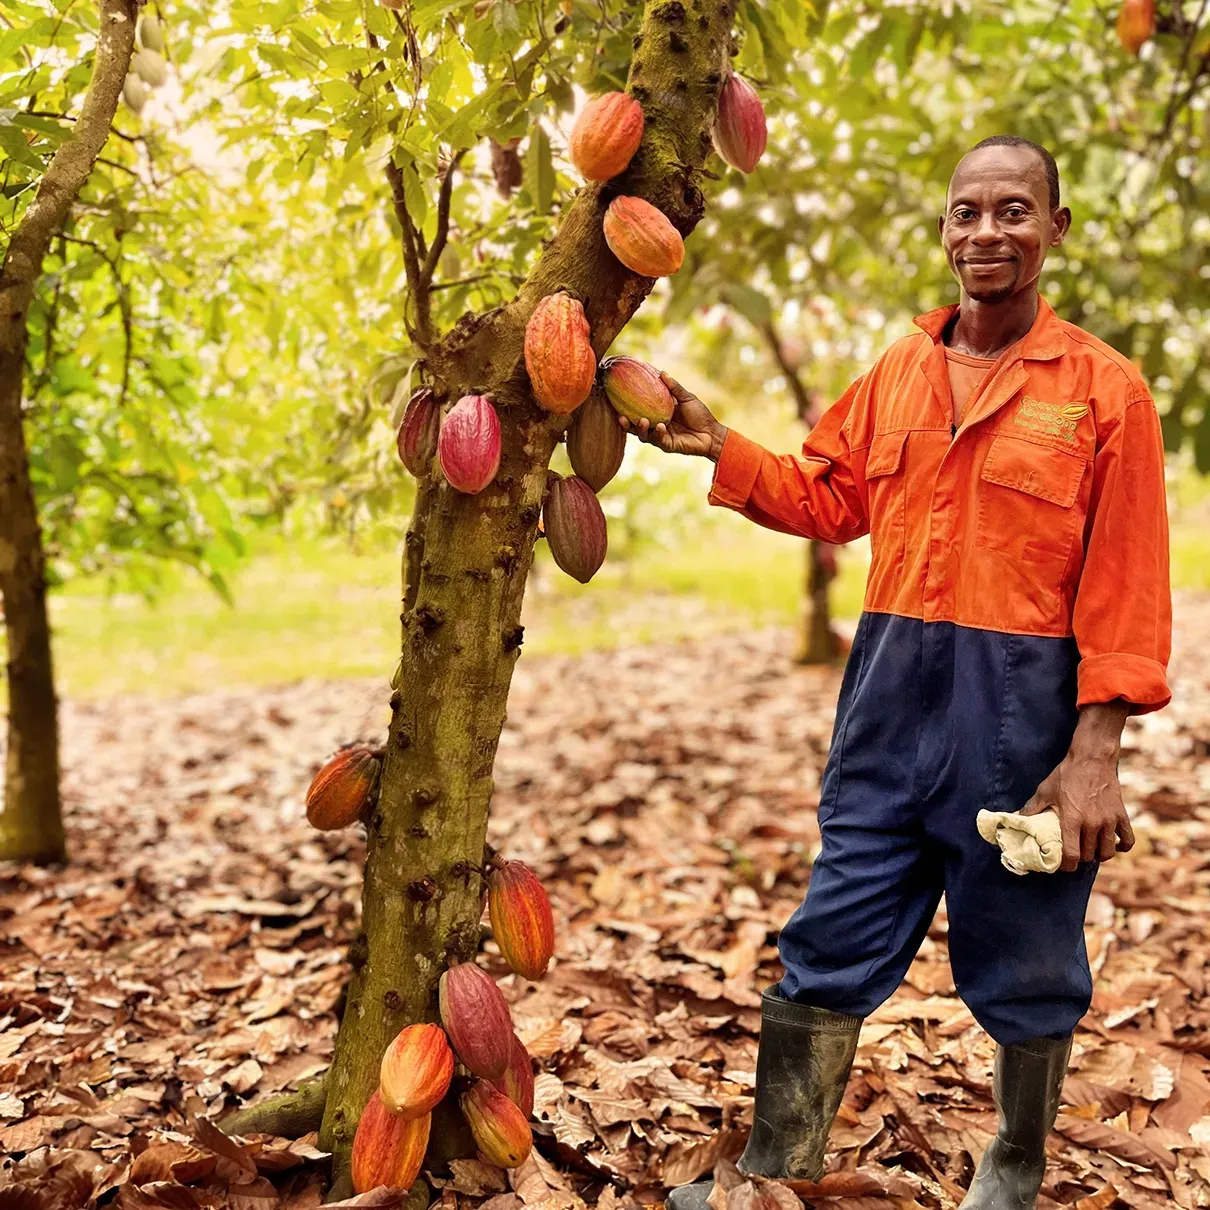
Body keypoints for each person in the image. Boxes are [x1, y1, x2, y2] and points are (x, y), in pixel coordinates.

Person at [621, 136, 1172, 1210]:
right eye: (966, 213)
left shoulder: (1104, 392)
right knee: (829, 931)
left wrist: (1093, 756)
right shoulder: (898, 371)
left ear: (1056, 228)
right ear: (944, 231)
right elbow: (828, 499)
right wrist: (714, 442)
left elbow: (1128, 586)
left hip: (1018, 726)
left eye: (1014, 211)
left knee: (1028, 956)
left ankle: (1012, 1163)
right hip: (886, 709)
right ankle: (776, 1167)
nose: (986, 233)